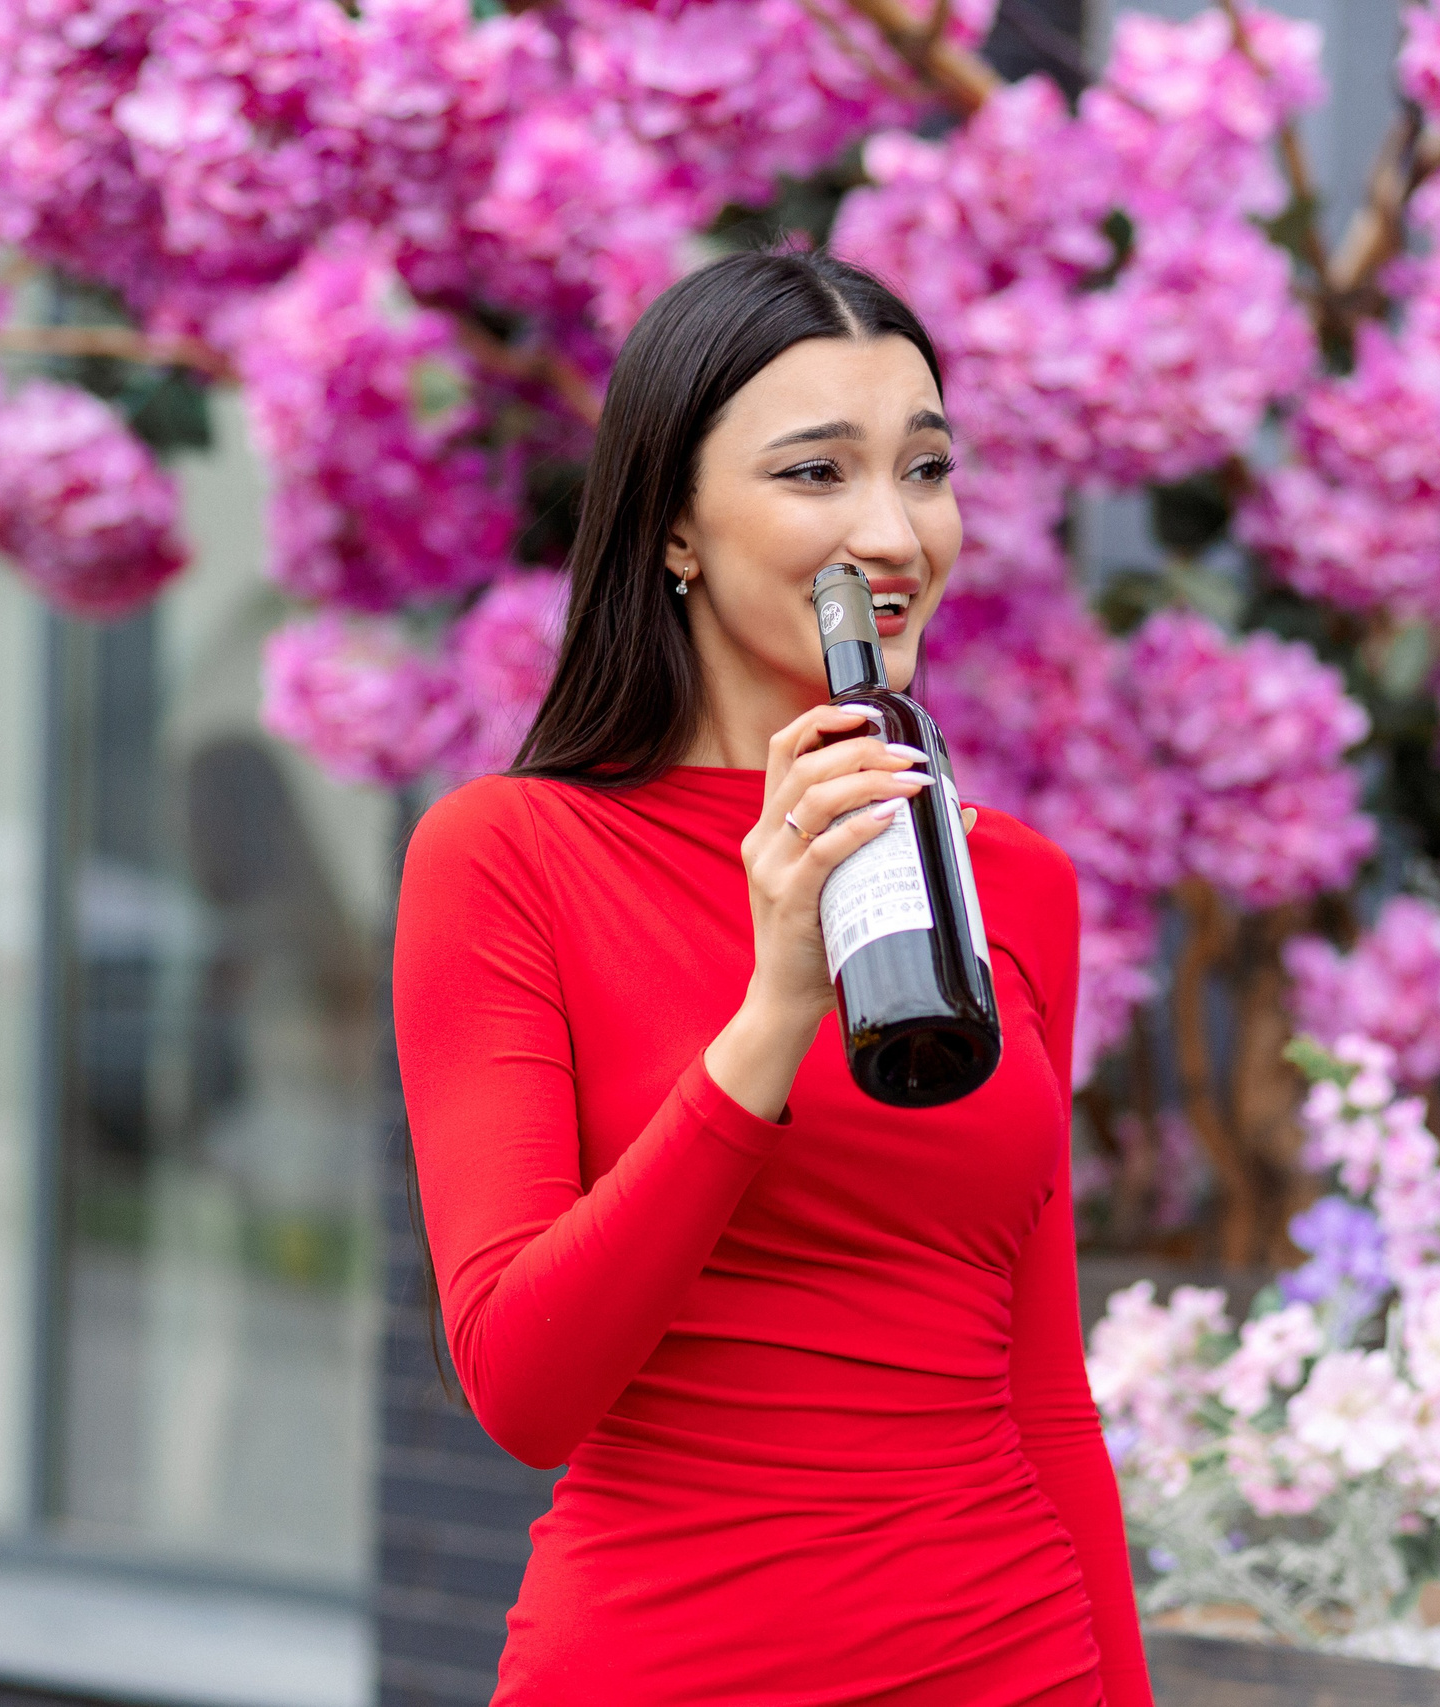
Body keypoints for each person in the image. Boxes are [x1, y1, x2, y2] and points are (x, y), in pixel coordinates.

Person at [393, 248, 1152, 1707]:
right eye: (818, 475)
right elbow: (524, 1387)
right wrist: (776, 1008)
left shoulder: (1016, 883)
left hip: (1010, 1663)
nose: (894, 532)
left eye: (925, 471)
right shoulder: (510, 856)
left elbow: (1045, 1395)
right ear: (674, 527)